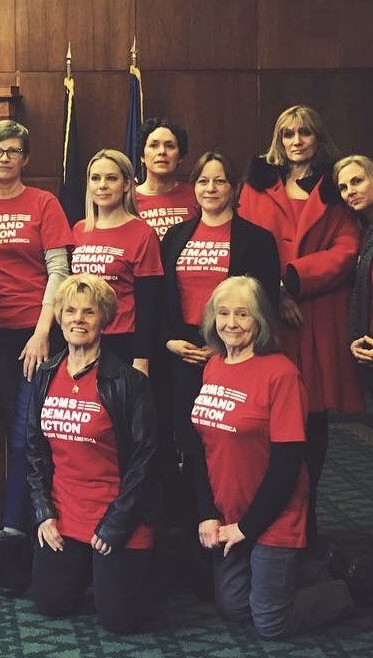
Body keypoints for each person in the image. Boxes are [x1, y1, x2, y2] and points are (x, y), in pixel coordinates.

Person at [188, 276, 353, 638]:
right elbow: (203, 448)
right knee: (233, 606)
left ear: (260, 320)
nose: (231, 323)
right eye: (224, 313)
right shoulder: (213, 366)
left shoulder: (281, 374)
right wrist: (207, 515)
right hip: (230, 509)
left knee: (270, 622)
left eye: (243, 314)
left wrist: (248, 527)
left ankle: (348, 586)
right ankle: (301, 571)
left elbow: (288, 463)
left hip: (277, 513)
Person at [238, 105, 361, 546]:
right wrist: (277, 291)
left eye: (305, 133)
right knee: (268, 421)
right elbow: (246, 242)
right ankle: (269, 517)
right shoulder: (257, 184)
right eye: (288, 133)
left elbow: (349, 249)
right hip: (271, 315)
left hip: (319, 316)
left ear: (317, 137)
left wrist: (295, 281)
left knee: (312, 422)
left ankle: (307, 523)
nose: (296, 141)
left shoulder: (336, 184)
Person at [0, 119, 72, 596]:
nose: (5, 158)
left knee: (29, 434)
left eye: (14, 151)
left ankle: (15, 536)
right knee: (19, 433)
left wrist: (44, 331)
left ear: (26, 158)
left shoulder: (44, 203)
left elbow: (59, 271)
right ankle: (28, 533)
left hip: (37, 333)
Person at [26, 274, 157, 634]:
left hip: (117, 515)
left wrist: (117, 523)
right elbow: (34, 450)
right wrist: (43, 512)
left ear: (104, 320)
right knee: (50, 603)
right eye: (69, 311)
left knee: (119, 621)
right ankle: (85, 567)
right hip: (64, 513)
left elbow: (146, 460)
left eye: (88, 312)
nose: (77, 319)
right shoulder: (46, 374)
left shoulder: (129, 382)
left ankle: (118, 572)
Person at [161, 152, 281, 451]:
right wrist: (169, 341)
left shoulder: (258, 240)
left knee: (229, 441)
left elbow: (266, 305)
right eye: (203, 181)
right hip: (184, 351)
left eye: (220, 181)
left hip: (233, 351)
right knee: (187, 440)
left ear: (234, 188)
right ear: (194, 188)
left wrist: (223, 345)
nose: (211, 188)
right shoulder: (174, 237)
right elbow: (160, 298)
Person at [70, 149, 162, 375]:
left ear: (127, 184)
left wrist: (141, 359)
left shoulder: (143, 233)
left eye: (111, 178)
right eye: (95, 178)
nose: (102, 185)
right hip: (81, 339)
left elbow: (149, 305)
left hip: (124, 341)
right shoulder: (79, 230)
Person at [336, 155, 373, 384]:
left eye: (357, 181)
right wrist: (356, 338)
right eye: (343, 187)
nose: (350, 191)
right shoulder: (365, 232)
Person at [134, 119, 198, 240]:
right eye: (154, 145)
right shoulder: (127, 200)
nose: (162, 151)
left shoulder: (196, 195)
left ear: (180, 156)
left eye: (170, 146)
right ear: (142, 156)